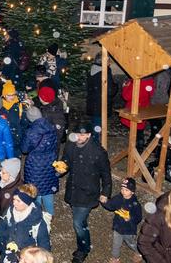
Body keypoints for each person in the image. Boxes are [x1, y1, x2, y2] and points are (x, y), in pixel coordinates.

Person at [58, 122, 111, 263]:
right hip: (74, 189)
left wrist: (106, 191)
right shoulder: (70, 145)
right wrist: (61, 167)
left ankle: (83, 249)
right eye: (77, 134)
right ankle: (83, 234)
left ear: (89, 135)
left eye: (82, 134)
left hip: (88, 192)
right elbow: (66, 160)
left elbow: (106, 173)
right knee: (79, 219)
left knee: (78, 223)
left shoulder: (98, 152)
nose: (79, 137)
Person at [0, 184, 51, 260]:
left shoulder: (37, 222)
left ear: (27, 203)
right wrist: (2, 245)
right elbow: (0, 230)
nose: (14, 203)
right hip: (7, 255)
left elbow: (44, 246)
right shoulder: (9, 212)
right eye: (14, 199)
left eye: (18, 201)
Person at [21, 106, 58, 217]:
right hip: (50, 162)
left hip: (35, 165)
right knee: (48, 189)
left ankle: (36, 217)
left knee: (35, 191)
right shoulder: (51, 127)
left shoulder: (31, 132)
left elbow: (24, 149)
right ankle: (50, 216)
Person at [101, 178, 143, 263]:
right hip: (118, 226)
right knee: (116, 243)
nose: (123, 192)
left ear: (132, 192)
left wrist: (130, 218)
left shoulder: (135, 204)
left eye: (126, 190)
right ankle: (115, 258)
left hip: (129, 229)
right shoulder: (118, 198)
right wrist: (104, 202)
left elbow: (138, 218)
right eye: (122, 189)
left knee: (131, 243)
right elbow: (111, 205)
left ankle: (139, 252)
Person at [85, 54, 117, 139]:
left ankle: (93, 142)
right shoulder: (105, 72)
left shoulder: (93, 69)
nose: (109, 63)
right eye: (108, 61)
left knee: (95, 124)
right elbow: (110, 91)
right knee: (97, 127)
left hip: (93, 103)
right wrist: (116, 86)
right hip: (100, 104)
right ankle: (95, 146)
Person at [121, 77, 155, 152]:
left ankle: (136, 150)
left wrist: (125, 86)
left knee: (135, 131)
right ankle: (139, 148)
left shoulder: (136, 81)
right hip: (144, 108)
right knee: (139, 129)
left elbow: (126, 96)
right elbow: (151, 93)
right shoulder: (150, 80)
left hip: (134, 109)